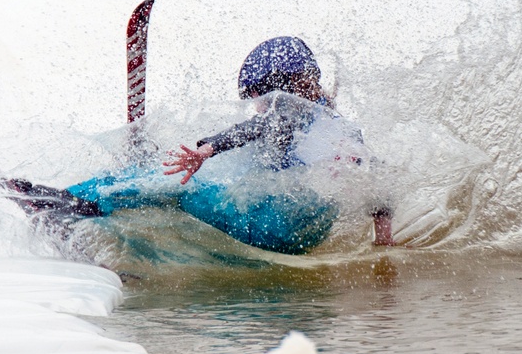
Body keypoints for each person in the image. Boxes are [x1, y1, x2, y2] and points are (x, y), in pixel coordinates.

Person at [163, 36, 395, 247]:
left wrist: (206, 150)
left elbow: (248, 129)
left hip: (273, 226)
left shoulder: (283, 117)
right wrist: (384, 239)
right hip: (310, 230)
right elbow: (376, 178)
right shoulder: (340, 126)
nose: (256, 106)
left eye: (257, 96)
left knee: (184, 193)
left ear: (277, 89)